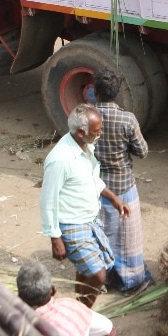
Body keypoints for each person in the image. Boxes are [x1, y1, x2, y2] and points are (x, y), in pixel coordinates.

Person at [40, 104, 129, 308]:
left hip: (90, 219)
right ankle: (83, 313)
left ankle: (78, 305)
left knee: (84, 271)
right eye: (97, 131)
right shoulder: (60, 160)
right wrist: (55, 238)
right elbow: (48, 199)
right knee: (98, 275)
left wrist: (113, 198)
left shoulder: (86, 146)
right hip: (71, 224)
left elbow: (91, 178)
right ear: (81, 132)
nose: (101, 133)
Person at [91, 69, 152, 294]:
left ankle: (106, 277)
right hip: (123, 185)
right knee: (127, 238)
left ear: (94, 91)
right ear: (117, 92)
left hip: (96, 185)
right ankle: (132, 281)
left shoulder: (87, 116)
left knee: (101, 232)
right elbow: (142, 151)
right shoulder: (127, 119)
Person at [17, 259, 114, 336]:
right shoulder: (71, 305)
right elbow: (107, 327)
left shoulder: (21, 325)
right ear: (54, 290)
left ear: (20, 297)